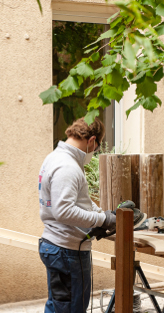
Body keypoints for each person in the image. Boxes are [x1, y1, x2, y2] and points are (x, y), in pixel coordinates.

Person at [38, 117, 116, 313]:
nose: (95, 152)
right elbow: (64, 210)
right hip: (67, 250)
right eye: (97, 147)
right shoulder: (67, 166)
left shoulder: (56, 158)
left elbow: (79, 200)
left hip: (57, 246)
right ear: (92, 140)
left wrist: (100, 213)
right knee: (71, 308)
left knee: (58, 307)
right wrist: (102, 219)